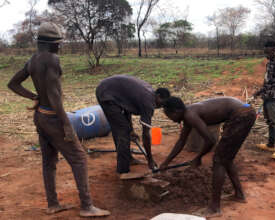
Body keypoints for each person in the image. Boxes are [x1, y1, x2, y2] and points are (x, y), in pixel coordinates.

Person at [7, 22, 110, 217]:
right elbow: (54, 95)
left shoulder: (33, 59)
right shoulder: (52, 59)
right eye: (58, 43)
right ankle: (87, 206)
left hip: (40, 117)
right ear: (49, 44)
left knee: (49, 161)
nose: (60, 46)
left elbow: (13, 83)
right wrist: (66, 124)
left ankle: (53, 204)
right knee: (79, 159)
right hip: (54, 119)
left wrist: (34, 97)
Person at [160, 96, 256, 218]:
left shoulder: (190, 115)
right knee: (226, 158)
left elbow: (210, 140)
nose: (170, 119)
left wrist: (198, 157)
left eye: (169, 116)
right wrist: (166, 162)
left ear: (175, 111)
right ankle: (239, 195)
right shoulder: (188, 115)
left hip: (241, 115)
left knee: (219, 160)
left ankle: (214, 208)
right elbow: (181, 141)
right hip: (244, 113)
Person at [96, 75, 170, 178]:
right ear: (157, 96)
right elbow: (146, 135)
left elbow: (127, 107)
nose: (159, 107)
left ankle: (128, 159)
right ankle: (123, 170)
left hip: (111, 90)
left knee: (124, 129)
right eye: (161, 103)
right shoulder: (148, 102)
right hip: (107, 93)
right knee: (122, 130)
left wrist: (131, 130)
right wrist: (150, 159)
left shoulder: (149, 95)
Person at [253, 40, 275, 160]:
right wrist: (259, 92)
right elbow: (267, 82)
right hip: (266, 97)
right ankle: (270, 145)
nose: (265, 54)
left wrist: (272, 88)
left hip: (273, 98)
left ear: (274, 50)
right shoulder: (269, 64)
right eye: (265, 51)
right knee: (270, 122)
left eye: (267, 51)